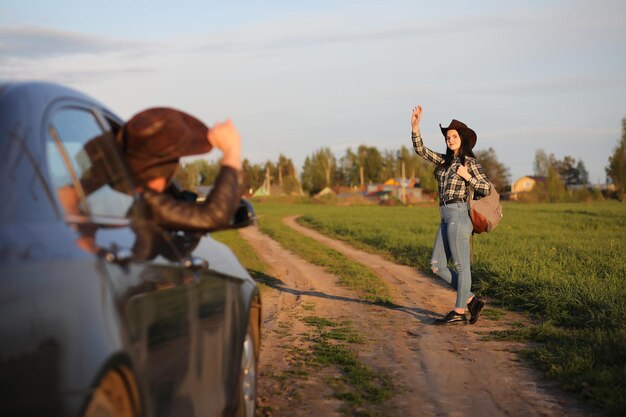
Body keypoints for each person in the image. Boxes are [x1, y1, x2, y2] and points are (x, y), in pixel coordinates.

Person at [410, 105, 489, 325]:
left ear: (462, 139)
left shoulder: (469, 163)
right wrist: (415, 127)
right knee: (437, 266)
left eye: (454, 136)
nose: (450, 139)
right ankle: (472, 299)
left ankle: (459, 310)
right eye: (447, 136)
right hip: (445, 216)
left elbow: (486, 188)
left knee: (461, 266)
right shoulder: (445, 162)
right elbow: (421, 150)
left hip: (459, 215)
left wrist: (468, 177)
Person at [119, 107, 245, 232]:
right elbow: (212, 216)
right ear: (168, 169)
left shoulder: (124, 195)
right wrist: (231, 153)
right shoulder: (145, 202)